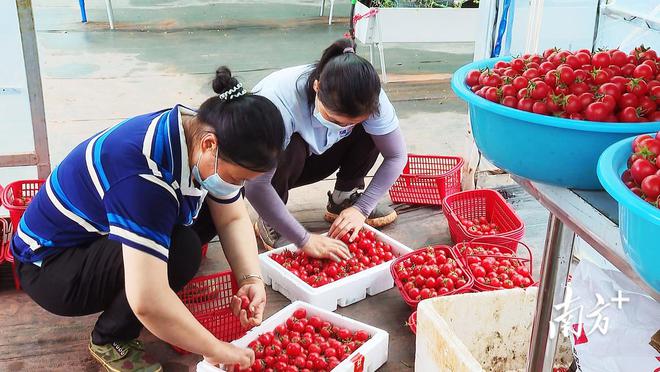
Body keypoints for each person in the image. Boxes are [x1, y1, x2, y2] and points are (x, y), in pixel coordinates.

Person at [10, 67, 285, 372]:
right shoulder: (145, 179)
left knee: (202, 218)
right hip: (50, 268)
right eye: (237, 177)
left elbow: (232, 216)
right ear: (210, 145)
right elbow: (147, 300)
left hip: (97, 232)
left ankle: (156, 284)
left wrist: (251, 279)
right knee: (182, 251)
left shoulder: (200, 128)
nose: (237, 186)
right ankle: (110, 337)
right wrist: (215, 348)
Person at [246, 38, 408, 258]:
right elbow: (255, 185)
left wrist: (363, 208)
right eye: (334, 118)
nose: (344, 126)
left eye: (351, 121)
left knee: (372, 133)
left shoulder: (370, 98)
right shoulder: (276, 103)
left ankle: (344, 198)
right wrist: (304, 239)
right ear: (316, 87)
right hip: (280, 165)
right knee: (288, 145)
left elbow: (396, 156)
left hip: (323, 153)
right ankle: (271, 218)